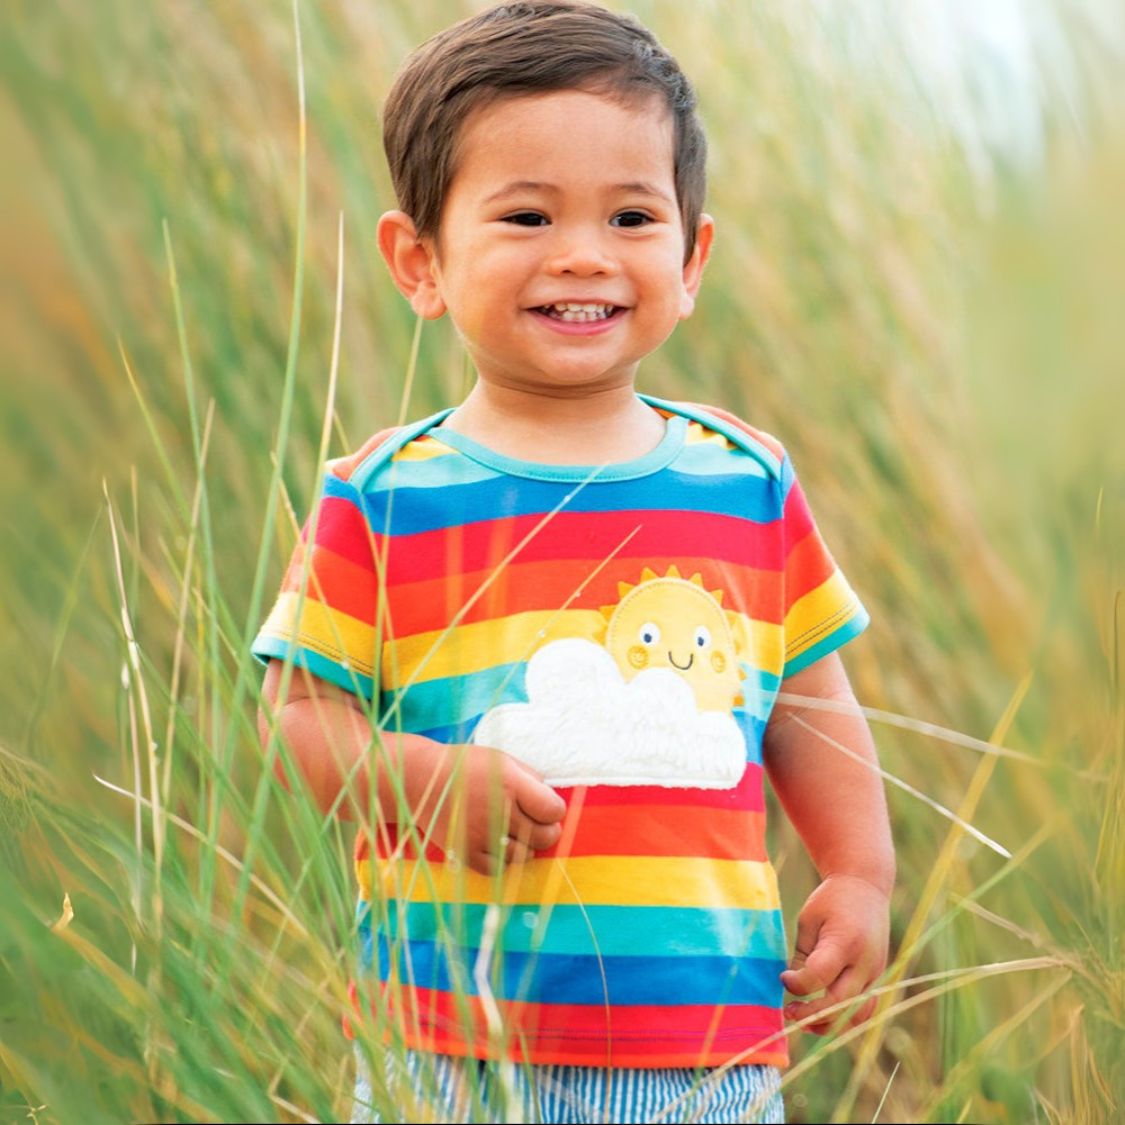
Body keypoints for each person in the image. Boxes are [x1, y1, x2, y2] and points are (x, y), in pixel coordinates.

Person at [254, 3, 894, 1121]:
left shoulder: (744, 482)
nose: (585, 253)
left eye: (632, 216)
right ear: (420, 261)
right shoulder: (382, 496)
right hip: (447, 1048)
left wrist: (859, 874)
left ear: (690, 260)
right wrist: (419, 781)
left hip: (706, 1056)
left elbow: (810, 704)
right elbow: (299, 715)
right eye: (527, 215)